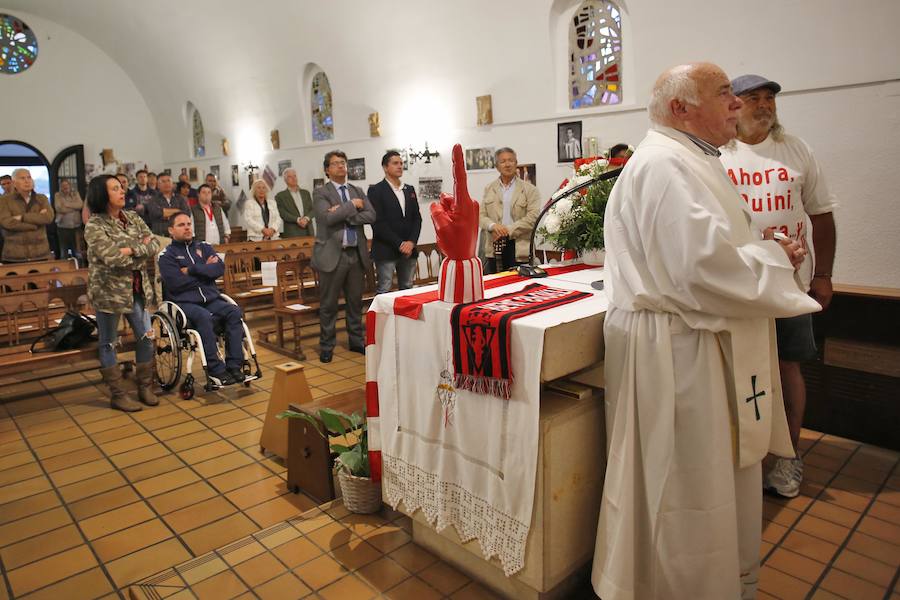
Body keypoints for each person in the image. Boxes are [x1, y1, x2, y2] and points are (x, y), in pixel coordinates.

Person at [591, 63, 822, 600]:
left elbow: (710, 247)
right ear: (681, 109)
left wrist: (765, 250)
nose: (737, 103)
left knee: (710, 478)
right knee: (685, 484)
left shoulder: (692, 160)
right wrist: (773, 258)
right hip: (679, 352)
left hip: (694, 340)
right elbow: (701, 267)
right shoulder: (665, 165)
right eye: (724, 95)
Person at [720, 74, 838, 498]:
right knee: (733, 370)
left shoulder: (796, 150)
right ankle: (740, 458)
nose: (764, 105)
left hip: (789, 285)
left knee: (789, 365)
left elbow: (821, 215)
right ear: (733, 105)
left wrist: (822, 275)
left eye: (770, 98)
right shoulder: (718, 153)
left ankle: (789, 457)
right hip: (736, 285)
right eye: (754, 98)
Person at [84, 174, 160, 412]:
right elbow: (112, 257)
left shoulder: (134, 217)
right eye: (115, 188)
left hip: (137, 289)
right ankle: (118, 394)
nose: (122, 191)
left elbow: (154, 243)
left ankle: (144, 386)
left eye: (121, 187)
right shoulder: (95, 225)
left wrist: (130, 249)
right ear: (102, 195)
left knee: (147, 337)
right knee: (108, 343)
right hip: (109, 292)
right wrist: (139, 249)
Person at [158, 212, 246, 386]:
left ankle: (235, 365)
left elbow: (219, 269)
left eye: (189, 223)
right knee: (204, 317)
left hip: (211, 299)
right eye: (181, 225)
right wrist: (206, 270)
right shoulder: (166, 255)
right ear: (171, 230)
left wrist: (191, 270)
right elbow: (176, 284)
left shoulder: (204, 247)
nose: (187, 227)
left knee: (234, 312)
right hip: (184, 303)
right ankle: (216, 370)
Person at [311, 150, 376, 363]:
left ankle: (356, 341)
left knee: (355, 303)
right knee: (329, 305)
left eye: (343, 163)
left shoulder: (356, 189)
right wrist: (352, 206)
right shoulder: (321, 193)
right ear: (327, 170)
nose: (341, 166)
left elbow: (371, 215)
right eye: (336, 163)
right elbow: (326, 218)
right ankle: (327, 346)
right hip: (332, 256)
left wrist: (343, 212)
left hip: (355, 255)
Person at [478, 147, 540, 273]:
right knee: (495, 286)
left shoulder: (530, 189)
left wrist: (507, 230)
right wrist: (493, 226)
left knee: (520, 285)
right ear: (497, 166)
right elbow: (480, 215)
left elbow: (533, 218)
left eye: (511, 160)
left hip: (519, 247)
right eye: (503, 161)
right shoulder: (489, 188)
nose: (507, 164)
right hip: (494, 247)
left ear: (516, 163)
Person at [368, 150, 423, 293]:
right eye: (395, 163)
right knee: (384, 289)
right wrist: (399, 243)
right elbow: (377, 222)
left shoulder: (408, 189)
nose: (400, 166)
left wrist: (411, 242)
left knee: (408, 289)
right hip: (386, 249)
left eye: (401, 163)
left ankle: (406, 316)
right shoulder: (376, 190)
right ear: (385, 167)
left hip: (408, 250)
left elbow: (417, 218)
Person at [0, 168, 54, 262]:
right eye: (22, 178)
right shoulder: (5, 200)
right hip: (14, 254)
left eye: (29, 177)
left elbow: (48, 218)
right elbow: (7, 223)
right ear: (14, 182)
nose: (27, 181)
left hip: (41, 253)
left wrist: (22, 217)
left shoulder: (41, 199)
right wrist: (35, 223)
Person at [274, 168, 314, 238]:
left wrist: (306, 218)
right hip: (292, 232)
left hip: (308, 230)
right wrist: (298, 220)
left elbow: (313, 209)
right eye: (290, 177)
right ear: (285, 180)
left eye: (294, 176)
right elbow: (282, 213)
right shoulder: (280, 196)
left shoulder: (306, 193)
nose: (293, 178)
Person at [54, 179, 84, 258]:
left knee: (77, 251)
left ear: (70, 186)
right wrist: (74, 208)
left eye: (66, 185)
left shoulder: (75, 193)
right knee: (64, 251)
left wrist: (67, 204)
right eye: (63, 186)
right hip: (63, 227)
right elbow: (59, 208)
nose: (65, 187)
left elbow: (80, 205)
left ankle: (78, 268)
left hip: (76, 226)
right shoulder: (57, 195)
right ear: (60, 187)